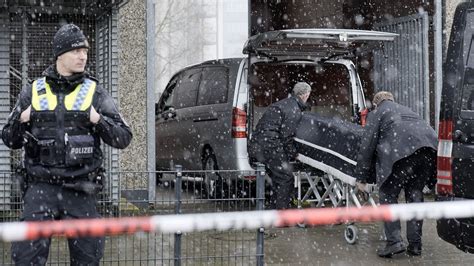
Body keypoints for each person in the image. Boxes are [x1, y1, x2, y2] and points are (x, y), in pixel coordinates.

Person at [2, 23, 132, 265]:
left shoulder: (95, 92)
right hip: (41, 188)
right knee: (25, 258)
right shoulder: (34, 91)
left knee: (88, 258)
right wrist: (22, 119)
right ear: (59, 55)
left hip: (81, 188)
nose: (82, 56)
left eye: (85, 51)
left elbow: (123, 137)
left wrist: (97, 119)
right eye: (76, 51)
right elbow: (9, 138)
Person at [355, 91, 437, 258]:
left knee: (387, 194)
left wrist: (362, 177)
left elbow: (367, 146)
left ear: (377, 104)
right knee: (414, 194)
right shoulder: (408, 110)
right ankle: (415, 245)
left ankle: (394, 243)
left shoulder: (377, 113)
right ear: (392, 100)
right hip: (428, 151)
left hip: (401, 154)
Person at [249, 82, 311, 209]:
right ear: (305, 95)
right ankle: (281, 214)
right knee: (285, 178)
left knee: (278, 178)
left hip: (257, 144)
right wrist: (294, 154)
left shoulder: (282, 104)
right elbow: (286, 136)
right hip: (270, 145)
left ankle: (274, 210)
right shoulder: (294, 110)